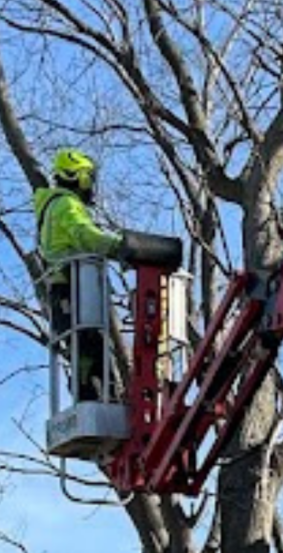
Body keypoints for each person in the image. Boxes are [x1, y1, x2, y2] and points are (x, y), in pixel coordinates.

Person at [32, 149, 184, 399]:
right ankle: (97, 398)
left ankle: (99, 396)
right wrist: (122, 247)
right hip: (72, 289)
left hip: (69, 290)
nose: (91, 184)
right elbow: (85, 235)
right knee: (89, 349)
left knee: (89, 348)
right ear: (77, 176)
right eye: (88, 177)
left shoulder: (53, 205)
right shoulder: (66, 204)